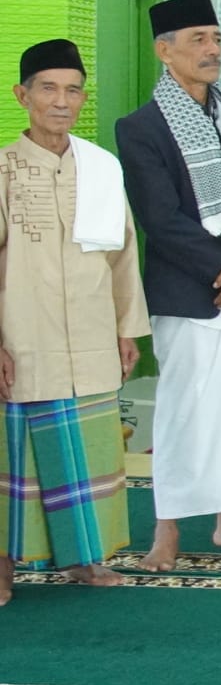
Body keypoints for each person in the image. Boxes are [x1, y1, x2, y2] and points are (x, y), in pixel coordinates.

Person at [117, 0, 221, 569]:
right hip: (191, 295)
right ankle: (167, 530)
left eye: (215, 38)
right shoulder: (140, 128)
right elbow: (160, 220)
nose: (212, 49)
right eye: (198, 40)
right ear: (165, 52)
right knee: (185, 411)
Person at [0, 40, 149, 604]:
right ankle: (3, 566)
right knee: (16, 459)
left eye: (72, 90)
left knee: (88, 452)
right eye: (48, 88)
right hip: (24, 336)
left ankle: (84, 560)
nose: (61, 101)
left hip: (89, 335)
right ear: (23, 95)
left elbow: (124, 253)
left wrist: (124, 328)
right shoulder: (5, 168)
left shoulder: (100, 167)